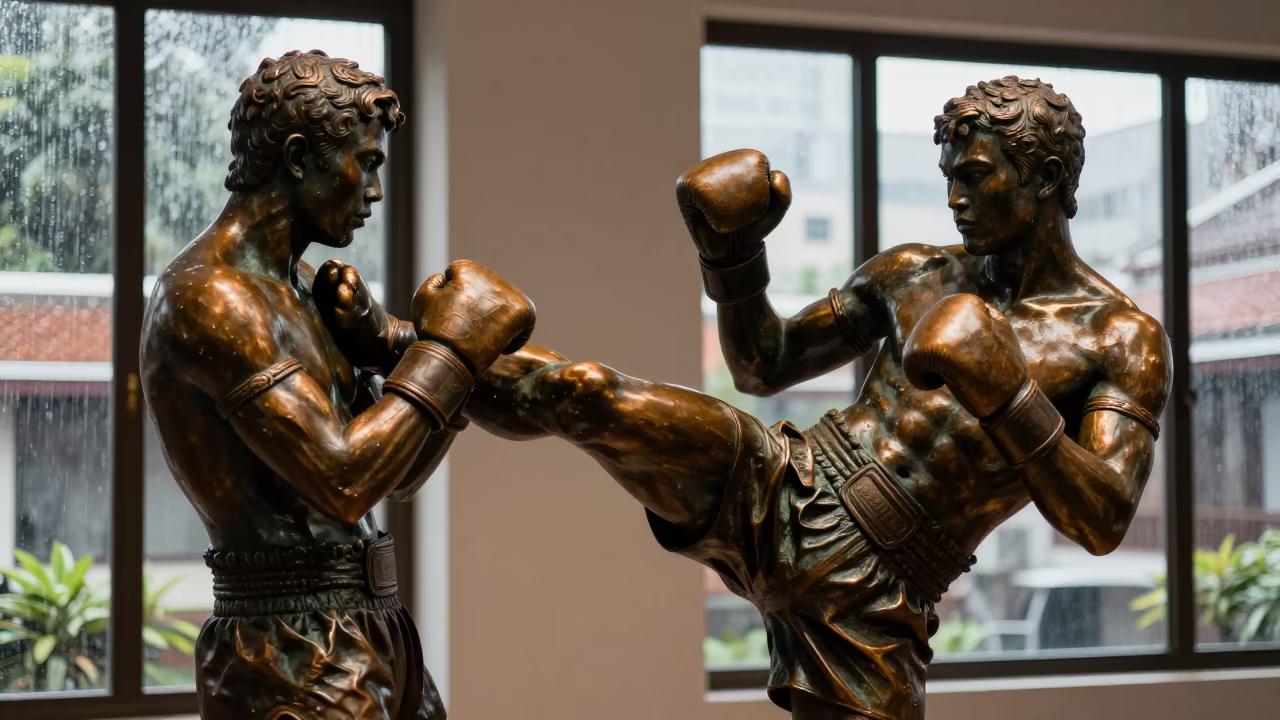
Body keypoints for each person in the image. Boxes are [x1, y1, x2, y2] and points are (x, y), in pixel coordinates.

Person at [452, 76, 1171, 720]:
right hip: (786, 481)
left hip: (879, 588)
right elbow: (764, 363)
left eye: (975, 177)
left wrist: (1008, 393)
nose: (955, 198)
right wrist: (732, 256)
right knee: (584, 393)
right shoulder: (914, 272)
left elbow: (1103, 518)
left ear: (1044, 177)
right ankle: (413, 350)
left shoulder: (1119, 338)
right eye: (949, 177)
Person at [140, 50, 534, 720]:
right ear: (299, 159)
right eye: (367, 164)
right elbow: (344, 479)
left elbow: (393, 477)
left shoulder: (297, 292)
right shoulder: (214, 298)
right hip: (289, 653)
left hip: (369, 628)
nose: (375, 193)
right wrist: (448, 352)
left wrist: (406, 356)